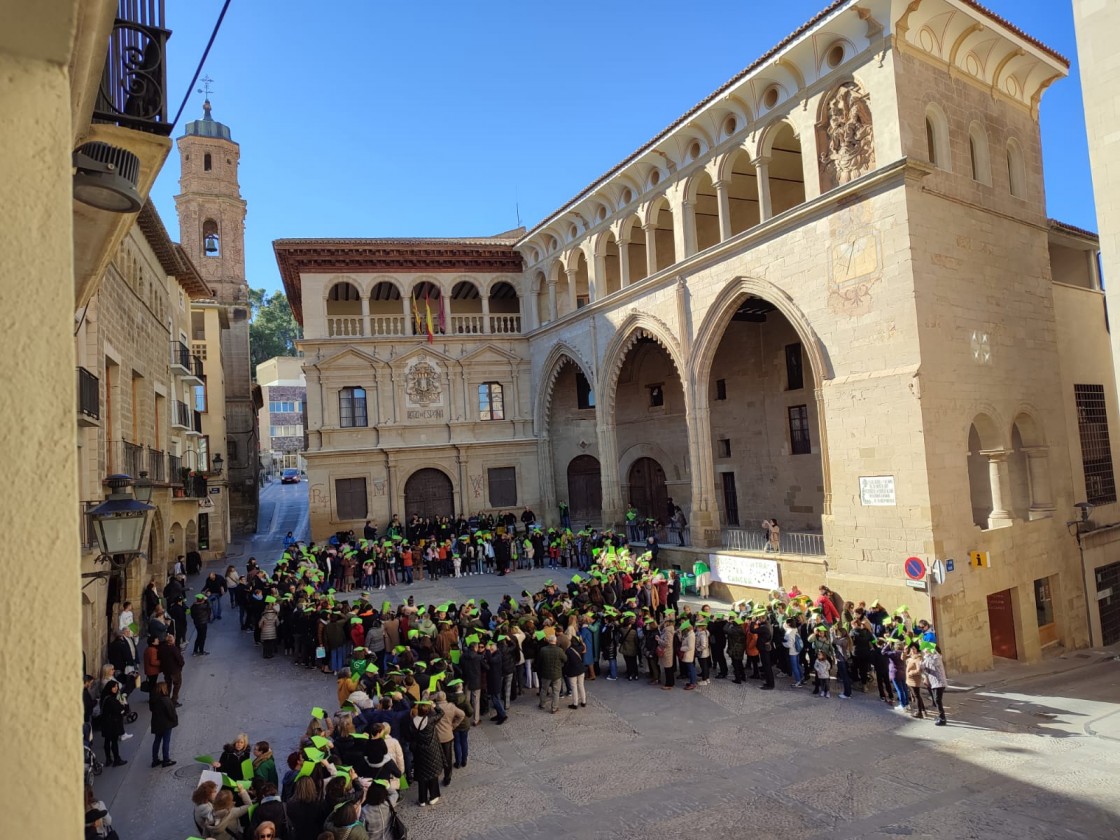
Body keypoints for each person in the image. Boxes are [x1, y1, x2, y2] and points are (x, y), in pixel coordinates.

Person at [406, 699, 444, 806]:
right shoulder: (430, 720)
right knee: (432, 773)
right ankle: (433, 796)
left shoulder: (412, 722)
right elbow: (441, 713)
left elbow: (411, 735)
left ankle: (422, 799)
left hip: (419, 750)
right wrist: (434, 705)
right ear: (427, 711)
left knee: (422, 775)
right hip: (431, 750)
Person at [149, 679, 178, 767]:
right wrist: (174, 720)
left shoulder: (153, 699)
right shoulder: (166, 699)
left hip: (156, 723)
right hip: (166, 724)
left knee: (157, 741)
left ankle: (155, 760)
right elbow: (171, 712)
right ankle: (166, 759)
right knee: (166, 741)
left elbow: (152, 709)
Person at [99, 679, 128, 767]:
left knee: (107, 741)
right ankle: (116, 759)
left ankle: (108, 759)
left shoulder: (104, 697)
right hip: (112, 723)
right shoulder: (111, 700)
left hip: (105, 722)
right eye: (114, 687)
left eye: (116, 687)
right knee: (114, 742)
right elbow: (119, 710)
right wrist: (123, 706)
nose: (116, 689)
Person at [535, 634, 565, 712]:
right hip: (557, 673)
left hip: (545, 673)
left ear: (549, 641)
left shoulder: (543, 650)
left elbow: (539, 661)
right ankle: (554, 707)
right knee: (556, 691)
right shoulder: (559, 650)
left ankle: (542, 704)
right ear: (556, 641)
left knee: (544, 689)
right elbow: (565, 659)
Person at [921, 642, 948, 725]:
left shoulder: (936, 657)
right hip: (933, 682)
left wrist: (928, 654)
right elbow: (922, 667)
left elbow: (932, 663)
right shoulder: (928, 658)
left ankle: (942, 719)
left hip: (939, 682)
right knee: (936, 700)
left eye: (926, 649)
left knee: (937, 700)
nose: (924, 651)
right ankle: (941, 716)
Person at [159, 631, 185, 706]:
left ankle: (166, 700)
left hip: (166, 670)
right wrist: (181, 665)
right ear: (172, 641)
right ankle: (173, 700)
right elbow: (179, 659)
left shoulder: (162, 648)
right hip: (175, 670)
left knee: (168, 684)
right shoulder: (173, 648)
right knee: (177, 684)